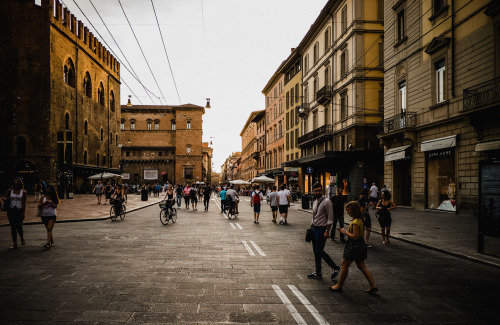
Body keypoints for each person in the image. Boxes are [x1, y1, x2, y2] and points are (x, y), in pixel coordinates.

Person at [329, 201, 377, 293]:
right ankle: (373, 285)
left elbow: (355, 236)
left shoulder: (355, 222)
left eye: (348, 210)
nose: (347, 212)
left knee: (344, 265)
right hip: (360, 246)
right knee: (361, 266)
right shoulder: (359, 220)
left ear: (354, 210)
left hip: (353, 246)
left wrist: (344, 232)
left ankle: (339, 285)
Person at [307, 183, 341, 280]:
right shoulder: (314, 202)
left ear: (322, 190)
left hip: (322, 229)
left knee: (319, 251)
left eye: (319, 190)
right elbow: (314, 216)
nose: (317, 192)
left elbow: (330, 218)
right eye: (316, 190)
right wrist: (311, 227)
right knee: (316, 251)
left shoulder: (327, 202)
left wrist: (327, 230)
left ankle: (335, 267)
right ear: (313, 191)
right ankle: (318, 272)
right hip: (314, 229)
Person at [3, 178, 27, 249]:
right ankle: (15, 243)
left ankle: (22, 237)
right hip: (11, 210)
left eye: (17, 181)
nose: (16, 183)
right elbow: (4, 197)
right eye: (15, 181)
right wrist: (6, 199)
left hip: (19, 210)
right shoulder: (10, 190)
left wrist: (23, 213)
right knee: (13, 226)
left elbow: (24, 203)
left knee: (19, 225)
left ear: (20, 183)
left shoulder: (24, 192)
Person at [39, 184, 59, 249]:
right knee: (48, 229)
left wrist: (51, 203)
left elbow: (55, 206)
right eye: (47, 189)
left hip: (52, 214)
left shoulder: (54, 197)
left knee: (49, 228)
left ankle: (48, 243)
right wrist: (43, 203)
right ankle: (51, 240)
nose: (48, 191)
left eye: (49, 189)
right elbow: (39, 205)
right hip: (44, 214)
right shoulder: (43, 197)